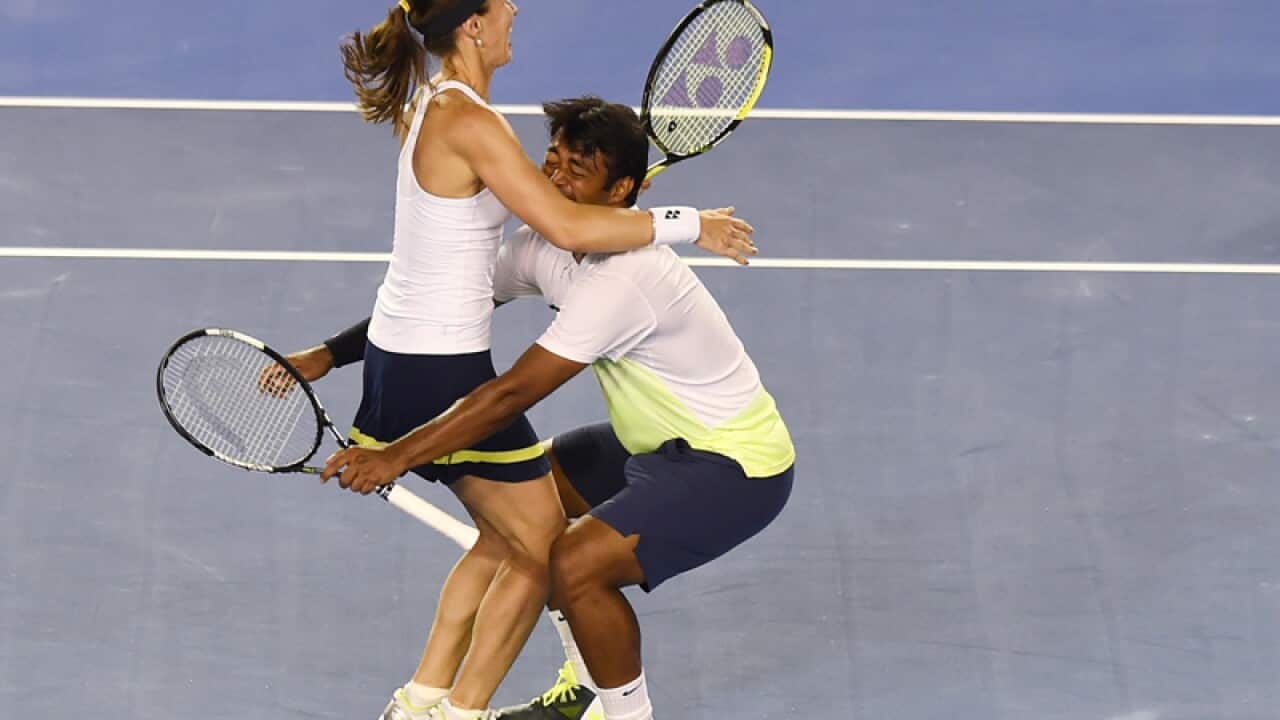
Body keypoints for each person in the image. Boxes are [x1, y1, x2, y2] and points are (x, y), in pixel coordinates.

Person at [303, 95, 795, 720]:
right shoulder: (545, 247)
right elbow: (446, 307)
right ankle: (547, 691)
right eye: (552, 161)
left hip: (733, 465)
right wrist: (328, 354)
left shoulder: (625, 281)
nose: (554, 178)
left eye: (576, 170)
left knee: (572, 564)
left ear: (621, 190)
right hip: (649, 444)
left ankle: (625, 714)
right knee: (524, 520)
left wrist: (395, 456)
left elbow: (511, 393)